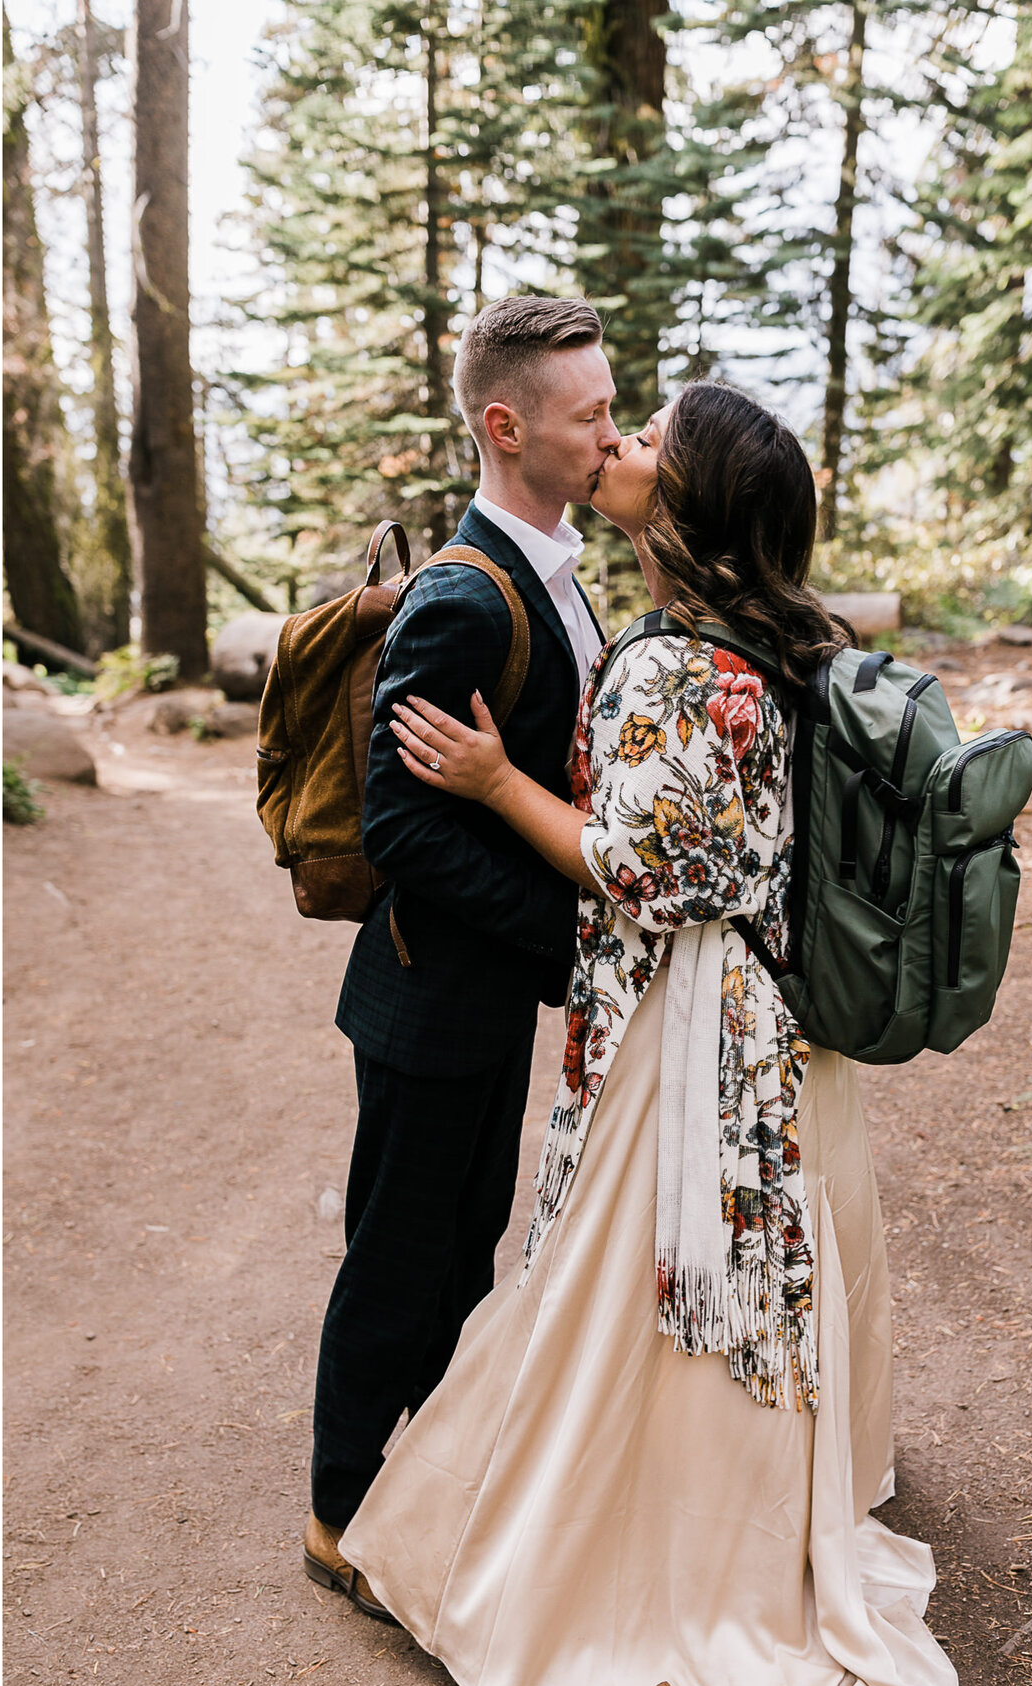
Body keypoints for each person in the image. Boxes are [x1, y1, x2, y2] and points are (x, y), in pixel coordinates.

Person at [337, 382, 958, 1686]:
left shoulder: (683, 662)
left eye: (649, 440)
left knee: (637, 1273)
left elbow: (642, 869)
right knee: (707, 1275)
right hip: (760, 1011)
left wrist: (500, 784)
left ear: (688, 504)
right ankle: (714, 1514)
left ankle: (621, 1550)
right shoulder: (761, 639)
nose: (620, 444)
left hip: (693, 1019)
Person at [307, 295, 622, 1612]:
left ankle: (422, 1476)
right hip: (431, 998)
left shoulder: (558, 567)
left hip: (487, 1001)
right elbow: (400, 825)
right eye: (589, 413)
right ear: (508, 425)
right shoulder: (458, 595)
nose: (610, 433)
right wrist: (566, 929)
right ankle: (336, 1511)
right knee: (400, 1251)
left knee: (465, 1240)